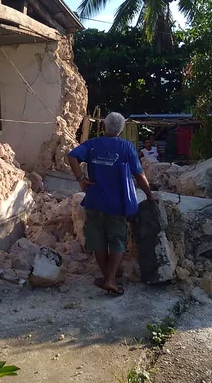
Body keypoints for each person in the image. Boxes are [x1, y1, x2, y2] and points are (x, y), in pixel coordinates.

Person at [67, 112, 157, 296]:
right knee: (117, 241)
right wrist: (149, 195)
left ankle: (107, 278)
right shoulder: (126, 147)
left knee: (98, 241)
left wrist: (81, 178)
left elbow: (72, 156)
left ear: (105, 126)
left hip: (94, 201)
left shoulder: (92, 144)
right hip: (117, 205)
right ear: (121, 129)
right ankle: (110, 280)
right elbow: (139, 175)